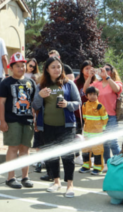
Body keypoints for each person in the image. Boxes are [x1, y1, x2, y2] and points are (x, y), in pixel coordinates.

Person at [33, 56, 81, 197]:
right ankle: (56, 182)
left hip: (66, 127)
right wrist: (39, 96)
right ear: (47, 69)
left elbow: (78, 103)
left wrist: (68, 104)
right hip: (47, 127)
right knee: (52, 156)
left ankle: (70, 185)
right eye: (53, 67)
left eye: (58, 67)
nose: (56, 69)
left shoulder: (69, 84)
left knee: (67, 157)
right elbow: (35, 106)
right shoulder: (40, 86)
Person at [0, 52, 36, 189]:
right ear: (11, 67)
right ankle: (11, 177)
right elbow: (1, 103)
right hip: (12, 120)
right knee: (13, 148)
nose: (21, 68)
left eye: (23, 65)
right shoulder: (6, 83)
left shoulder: (31, 82)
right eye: (17, 66)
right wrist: (2, 121)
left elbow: (34, 102)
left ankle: (25, 177)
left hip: (28, 120)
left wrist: (35, 120)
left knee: (25, 149)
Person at [84, 63, 123, 172]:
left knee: (113, 142)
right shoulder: (97, 84)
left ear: (112, 71)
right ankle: (107, 163)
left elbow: (116, 89)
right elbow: (85, 90)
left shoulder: (116, 82)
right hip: (98, 118)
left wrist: (107, 77)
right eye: (103, 69)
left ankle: (119, 164)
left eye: (107, 69)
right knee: (104, 142)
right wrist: (90, 77)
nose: (104, 71)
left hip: (111, 116)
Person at [79, 86, 108, 175]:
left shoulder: (100, 106)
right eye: (90, 94)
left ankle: (98, 168)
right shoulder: (84, 105)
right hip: (87, 132)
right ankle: (86, 166)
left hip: (97, 133)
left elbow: (105, 118)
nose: (92, 96)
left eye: (94, 94)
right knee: (85, 150)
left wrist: (102, 129)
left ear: (97, 95)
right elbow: (84, 118)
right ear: (86, 96)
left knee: (97, 151)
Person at [73, 60, 96, 165]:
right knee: (77, 134)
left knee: (90, 135)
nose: (89, 70)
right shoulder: (76, 82)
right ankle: (77, 155)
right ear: (81, 70)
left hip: (92, 114)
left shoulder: (95, 81)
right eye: (86, 68)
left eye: (90, 68)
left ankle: (89, 156)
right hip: (78, 113)